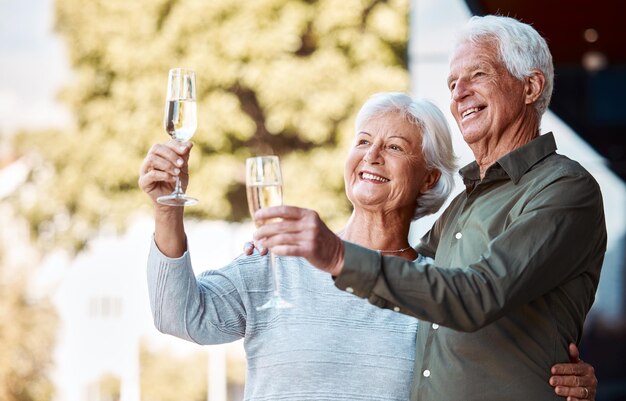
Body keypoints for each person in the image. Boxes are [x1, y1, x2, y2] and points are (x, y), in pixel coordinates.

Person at [139, 92, 596, 400]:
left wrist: (569, 381)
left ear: (430, 177)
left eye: (395, 147)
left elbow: (500, 357)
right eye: (363, 141)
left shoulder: (437, 288)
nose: (372, 156)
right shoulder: (280, 259)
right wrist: (167, 210)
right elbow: (179, 316)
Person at [253, 16, 606, 401]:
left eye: (477, 75)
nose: (459, 93)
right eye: (453, 84)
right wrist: (287, 256)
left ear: (530, 87)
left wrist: (335, 254)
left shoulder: (563, 188)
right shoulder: (462, 206)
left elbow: (477, 294)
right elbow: (402, 272)